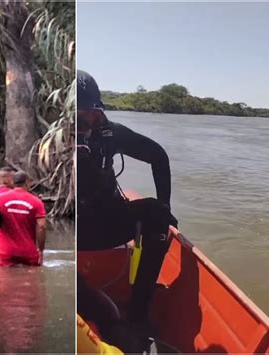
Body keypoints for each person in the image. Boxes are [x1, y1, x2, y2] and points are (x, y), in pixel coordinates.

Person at [76, 70, 178, 326]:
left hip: (108, 223)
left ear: (97, 113)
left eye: (83, 117)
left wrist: (165, 204)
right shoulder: (43, 142)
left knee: (158, 216)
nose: (77, 127)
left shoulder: (112, 135)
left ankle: (139, 312)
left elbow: (158, 156)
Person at [0, 171, 46, 267]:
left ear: (13, 182)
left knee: (6, 280)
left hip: (7, 251)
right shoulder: (36, 202)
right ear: (27, 182)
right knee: (32, 279)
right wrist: (41, 250)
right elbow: (41, 227)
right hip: (29, 252)